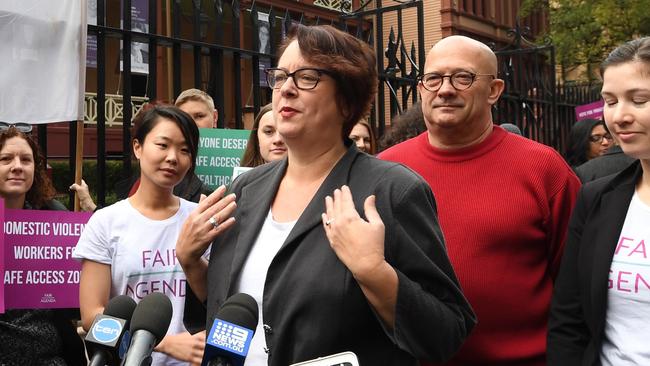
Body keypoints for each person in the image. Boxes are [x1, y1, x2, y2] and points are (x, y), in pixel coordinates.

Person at [176, 24, 475, 366]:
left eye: (306, 77)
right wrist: (191, 261)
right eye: (280, 76)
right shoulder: (245, 190)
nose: (286, 89)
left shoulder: (392, 190)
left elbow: (446, 332)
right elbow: (229, 313)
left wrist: (374, 272)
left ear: (346, 102)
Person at [379, 35, 581, 365]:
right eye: (433, 78)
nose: (445, 89)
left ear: (494, 90)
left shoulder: (543, 169)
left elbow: (576, 286)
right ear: (421, 88)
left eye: (463, 77)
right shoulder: (384, 169)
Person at [74, 106, 206, 365]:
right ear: (138, 147)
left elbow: (215, 297)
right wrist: (165, 343)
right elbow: (92, 316)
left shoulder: (199, 219)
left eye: (184, 150)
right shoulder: (106, 222)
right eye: (162, 145)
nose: (173, 157)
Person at [548, 36, 650, 366]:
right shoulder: (596, 198)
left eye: (639, 100)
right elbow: (569, 320)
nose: (619, 116)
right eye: (610, 100)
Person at [0, 125, 85, 366]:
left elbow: (75, 305)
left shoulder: (54, 221)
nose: (17, 166)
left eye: (26, 159)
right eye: (6, 158)